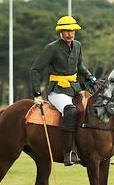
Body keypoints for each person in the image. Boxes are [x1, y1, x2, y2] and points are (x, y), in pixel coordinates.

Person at [30, 15, 97, 167]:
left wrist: (89, 76)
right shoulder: (52, 48)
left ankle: (88, 148)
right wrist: (36, 93)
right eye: (66, 30)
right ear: (60, 31)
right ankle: (69, 153)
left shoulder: (78, 45)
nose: (70, 33)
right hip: (57, 91)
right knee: (71, 111)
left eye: (72, 30)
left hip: (74, 89)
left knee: (92, 110)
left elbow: (80, 67)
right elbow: (35, 69)